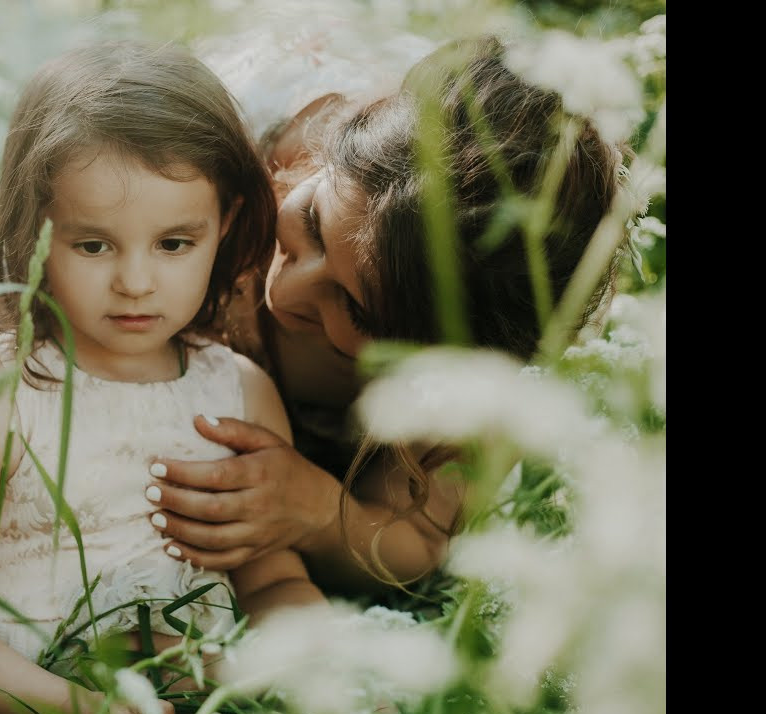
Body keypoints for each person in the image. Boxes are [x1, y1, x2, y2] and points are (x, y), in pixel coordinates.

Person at [0, 41, 326, 714]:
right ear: (37, 231)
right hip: (16, 698)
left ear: (225, 222)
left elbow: (273, 579)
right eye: (94, 245)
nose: (136, 282)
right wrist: (76, 708)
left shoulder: (240, 395)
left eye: (174, 243)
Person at [143, 35, 626, 595]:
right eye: (314, 224)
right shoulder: (245, 146)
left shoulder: (467, 388)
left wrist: (320, 512)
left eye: (356, 309)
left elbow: (418, 543)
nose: (287, 290)